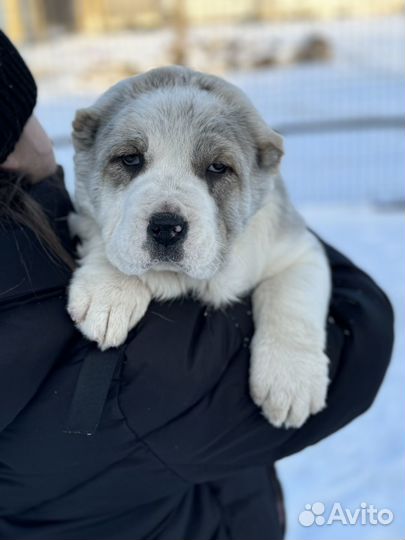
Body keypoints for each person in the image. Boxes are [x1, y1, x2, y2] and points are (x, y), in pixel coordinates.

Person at [0, 30, 394, 540]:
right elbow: (360, 326)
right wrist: (116, 267)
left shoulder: (41, 228)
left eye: (214, 168)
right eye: (132, 161)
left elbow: (294, 259)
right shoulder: (50, 289)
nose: (167, 208)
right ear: (7, 149)